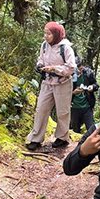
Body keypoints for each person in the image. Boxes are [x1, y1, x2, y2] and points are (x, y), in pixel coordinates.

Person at [25, 22, 76, 150]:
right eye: (45, 33)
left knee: (62, 111)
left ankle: (62, 138)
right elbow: (41, 59)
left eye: (49, 33)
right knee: (41, 109)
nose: (46, 36)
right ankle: (36, 139)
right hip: (47, 82)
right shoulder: (44, 46)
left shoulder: (66, 48)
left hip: (63, 83)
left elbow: (71, 68)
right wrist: (40, 66)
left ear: (56, 34)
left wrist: (54, 69)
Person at [69, 61, 99, 135]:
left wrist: (92, 87)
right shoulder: (69, 76)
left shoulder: (88, 73)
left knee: (91, 129)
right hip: (74, 107)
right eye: (78, 70)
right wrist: (73, 93)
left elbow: (96, 85)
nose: (80, 71)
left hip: (87, 106)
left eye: (81, 69)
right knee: (75, 131)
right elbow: (63, 92)